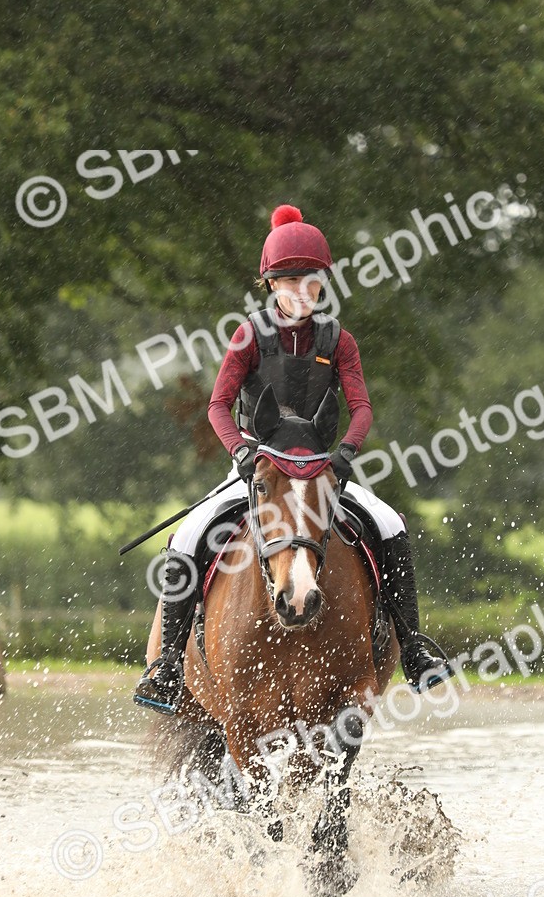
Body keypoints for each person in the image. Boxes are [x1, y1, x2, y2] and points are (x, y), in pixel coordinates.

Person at [134, 204, 453, 712]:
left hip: (320, 469)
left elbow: (362, 406)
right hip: (259, 466)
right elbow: (218, 405)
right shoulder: (248, 336)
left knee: (389, 523)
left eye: (309, 282)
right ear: (271, 285)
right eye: (288, 282)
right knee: (191, 534)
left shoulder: (339, 341)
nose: (299, 293)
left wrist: (347, 452)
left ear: (322, 285)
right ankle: (169, 664)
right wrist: (239, 451)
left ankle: (413, 648)